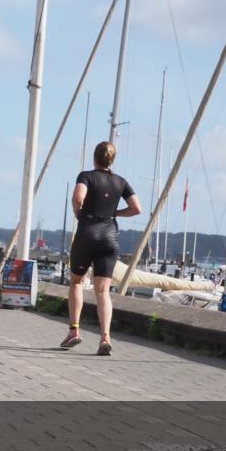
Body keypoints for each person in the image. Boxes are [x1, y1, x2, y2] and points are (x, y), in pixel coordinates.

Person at [61, 141, 141, 356]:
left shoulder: (86, 176)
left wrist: (79, 212)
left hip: (88, 233)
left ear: (94, 157)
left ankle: (74, 331)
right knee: (103, 291)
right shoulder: (121, 182)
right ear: (112, 159)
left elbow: (78, 197)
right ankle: (105, 336)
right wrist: (116, 213)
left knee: (77, 282)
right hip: (110, 237)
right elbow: (137, 208)